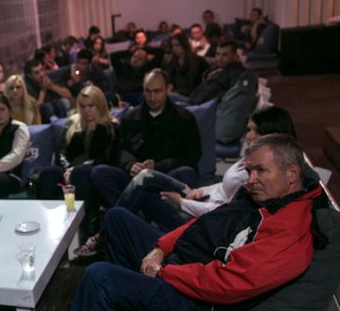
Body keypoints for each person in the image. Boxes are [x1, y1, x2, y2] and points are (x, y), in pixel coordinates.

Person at [30, 134, 325, 311]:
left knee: (99, 276)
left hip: (200, 302)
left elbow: (226, 285)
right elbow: (206, 224)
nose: (251, 180)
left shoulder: (289, 233)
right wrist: (160, 247)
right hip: (183, 263)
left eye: (261, 170)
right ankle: (119, 304)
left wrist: (166, 272)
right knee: (117, 219)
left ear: (292, 174)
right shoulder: (262, 198)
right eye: (249, 170)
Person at [74, 106, 297, 256]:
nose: (246, 135)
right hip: (202, 198)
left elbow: (222, 214)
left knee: (142, 189)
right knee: (143, 180)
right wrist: (198, 191)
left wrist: (182, 202)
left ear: (266, 133)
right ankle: (109, 235)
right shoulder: (252, 157)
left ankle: (105, 235)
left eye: (250, 130)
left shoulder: (259, 176)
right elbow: (222, 186)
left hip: (200, 218)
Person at [81, 69, 201, 234]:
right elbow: (119, 150)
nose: (152, 97)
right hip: (133, 179)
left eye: (157, 91)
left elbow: (191, 156)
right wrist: (130, 164)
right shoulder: (130, 117)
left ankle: (139, 222)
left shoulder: (184, 118)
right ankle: (131, 221)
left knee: (187, 172)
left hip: (168, 177)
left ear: (169, 89)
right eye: (148, 91)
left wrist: (157, 167)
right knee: (100, 172)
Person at [35, 85, 120, 201]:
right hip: (71, 169)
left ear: (100, 106)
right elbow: (61, 153)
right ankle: (46, 216)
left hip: (95, 171)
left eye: (91, 106)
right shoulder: (73, 125)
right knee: (49, 172)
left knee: (80, 173)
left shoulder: (111, 127)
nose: (87, 110)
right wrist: (67, 169)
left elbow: (107, 158)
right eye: (83, 106)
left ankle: (84, 217)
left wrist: (75, 169)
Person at [188, 39, 246, 104]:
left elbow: (231, 95)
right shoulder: (216, 69)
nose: (219, 58)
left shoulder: (236, 72)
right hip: (193, 100)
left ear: (234, 55)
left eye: (225, 55)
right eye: (218, 54)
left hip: (205, 106)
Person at [23, 58, 73, 123]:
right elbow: (35, 109)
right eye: (36, 73)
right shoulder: (27, 87)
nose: (41, 74)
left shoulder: (44, 77)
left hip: (52, 107)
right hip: (38, 113)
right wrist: (43, 90)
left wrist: (51, 86)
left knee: (61, 103)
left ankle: (64, 126)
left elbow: (69, 95)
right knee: (47, 107)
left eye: (41, 70)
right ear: (29, 75)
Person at [164, 31, 209, 97]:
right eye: (172, 46)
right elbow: (169, 80)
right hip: (176, 93)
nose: (174, 48)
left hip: (192, 95)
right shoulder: (172, 61)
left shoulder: (198, 60)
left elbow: (208, 76)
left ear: (184, 44)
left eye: (177, 45)